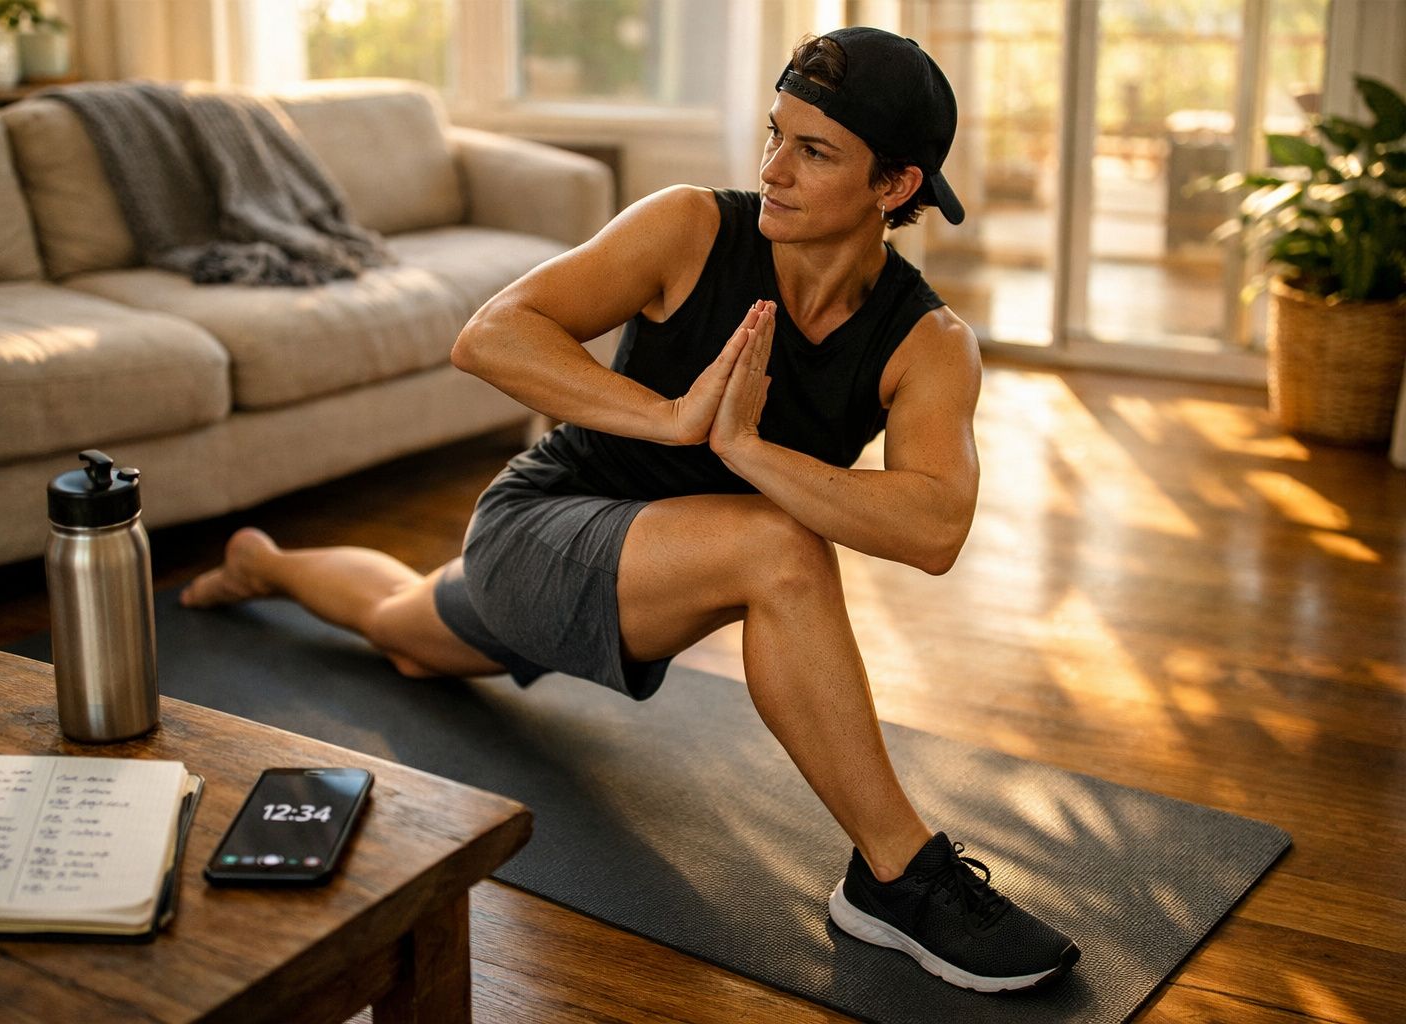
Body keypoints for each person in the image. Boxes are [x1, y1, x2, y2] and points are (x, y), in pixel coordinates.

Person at [183, 27, 1080, 992]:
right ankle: (897, 879)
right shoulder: (691, 227)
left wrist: (747, 449)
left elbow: (935, 529)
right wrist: (673, 419)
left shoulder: (930, 342)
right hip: (541, 530)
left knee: (405, 632)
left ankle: (265, 563)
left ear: (894, 187)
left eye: (814, 152)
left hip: (655, 579)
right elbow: (491, 336)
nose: (774, 169)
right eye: (775, 134)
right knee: (779, 552)